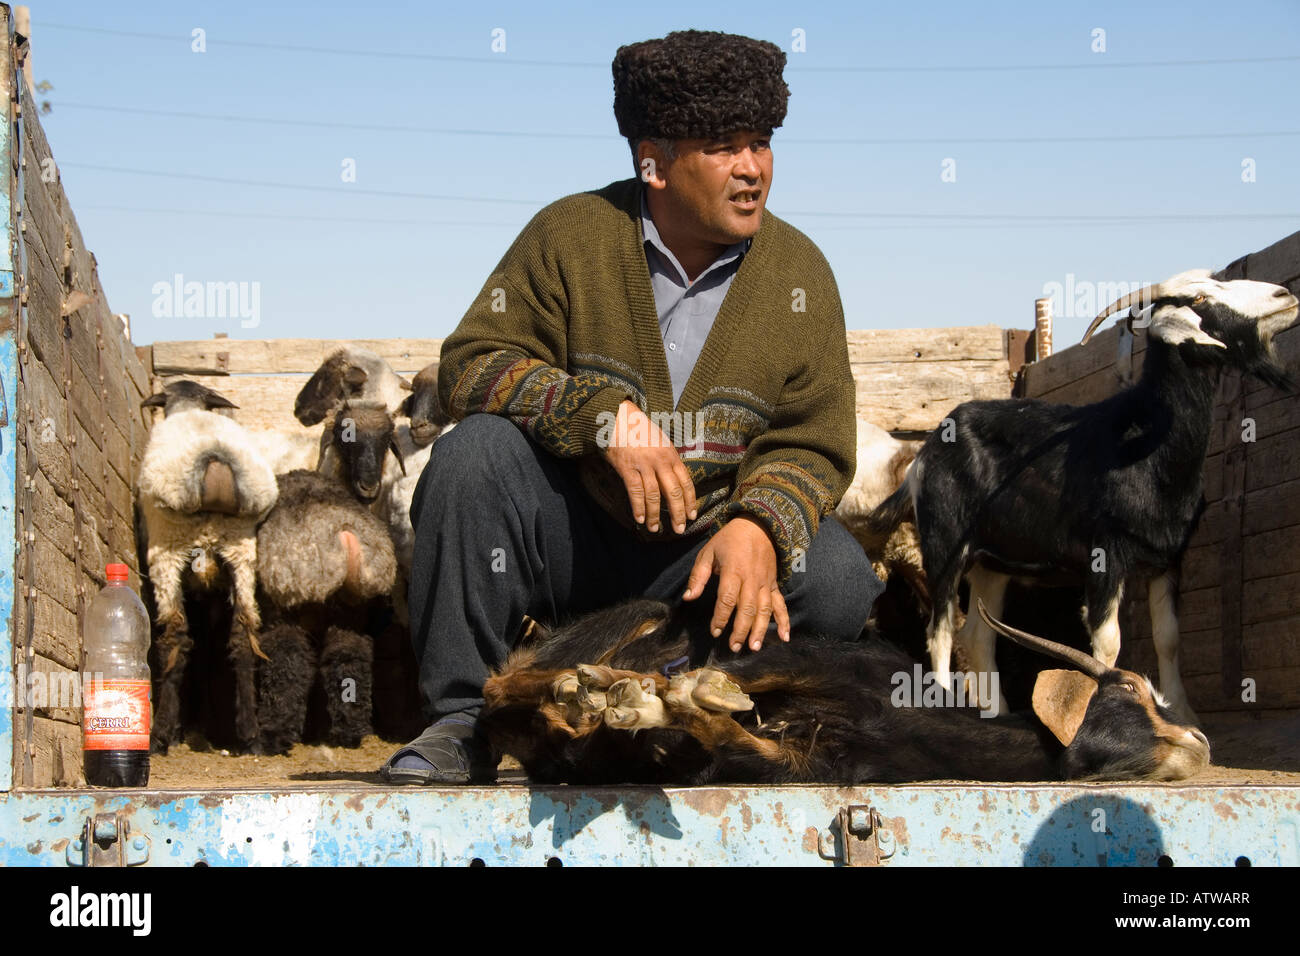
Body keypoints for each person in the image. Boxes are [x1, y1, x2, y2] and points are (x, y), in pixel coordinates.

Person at [381, 29, 882, 784]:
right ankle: (467, 721)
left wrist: (759, 523)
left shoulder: (798, 273)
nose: (752, 169)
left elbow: (813, 440)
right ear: (652, 160)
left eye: (762, 142)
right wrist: (599, 417)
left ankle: (689, 718)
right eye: (721, 146)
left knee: (837, 576)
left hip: (701, 560)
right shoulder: (569, 236)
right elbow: (471, 365)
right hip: (576, 536)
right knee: (471, 455)